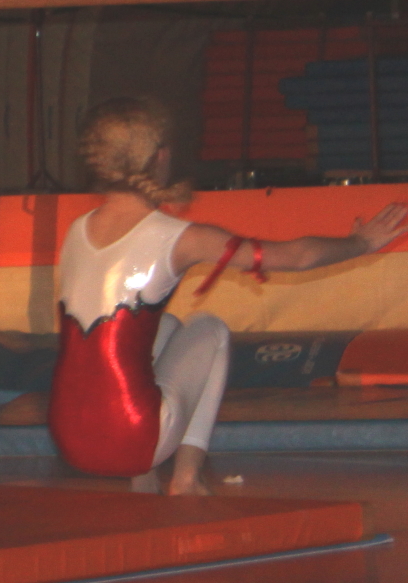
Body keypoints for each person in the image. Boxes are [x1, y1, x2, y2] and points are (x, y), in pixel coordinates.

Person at [51, 97, 408, 494]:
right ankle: (186, 478)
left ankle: (144, 480)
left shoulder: (77, 230)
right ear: (161, 157)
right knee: (210, 329)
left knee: (164, 325)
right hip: (132, 439)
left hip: (68, 437)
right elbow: (295, 257)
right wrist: (360, 243)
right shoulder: (179, 237)